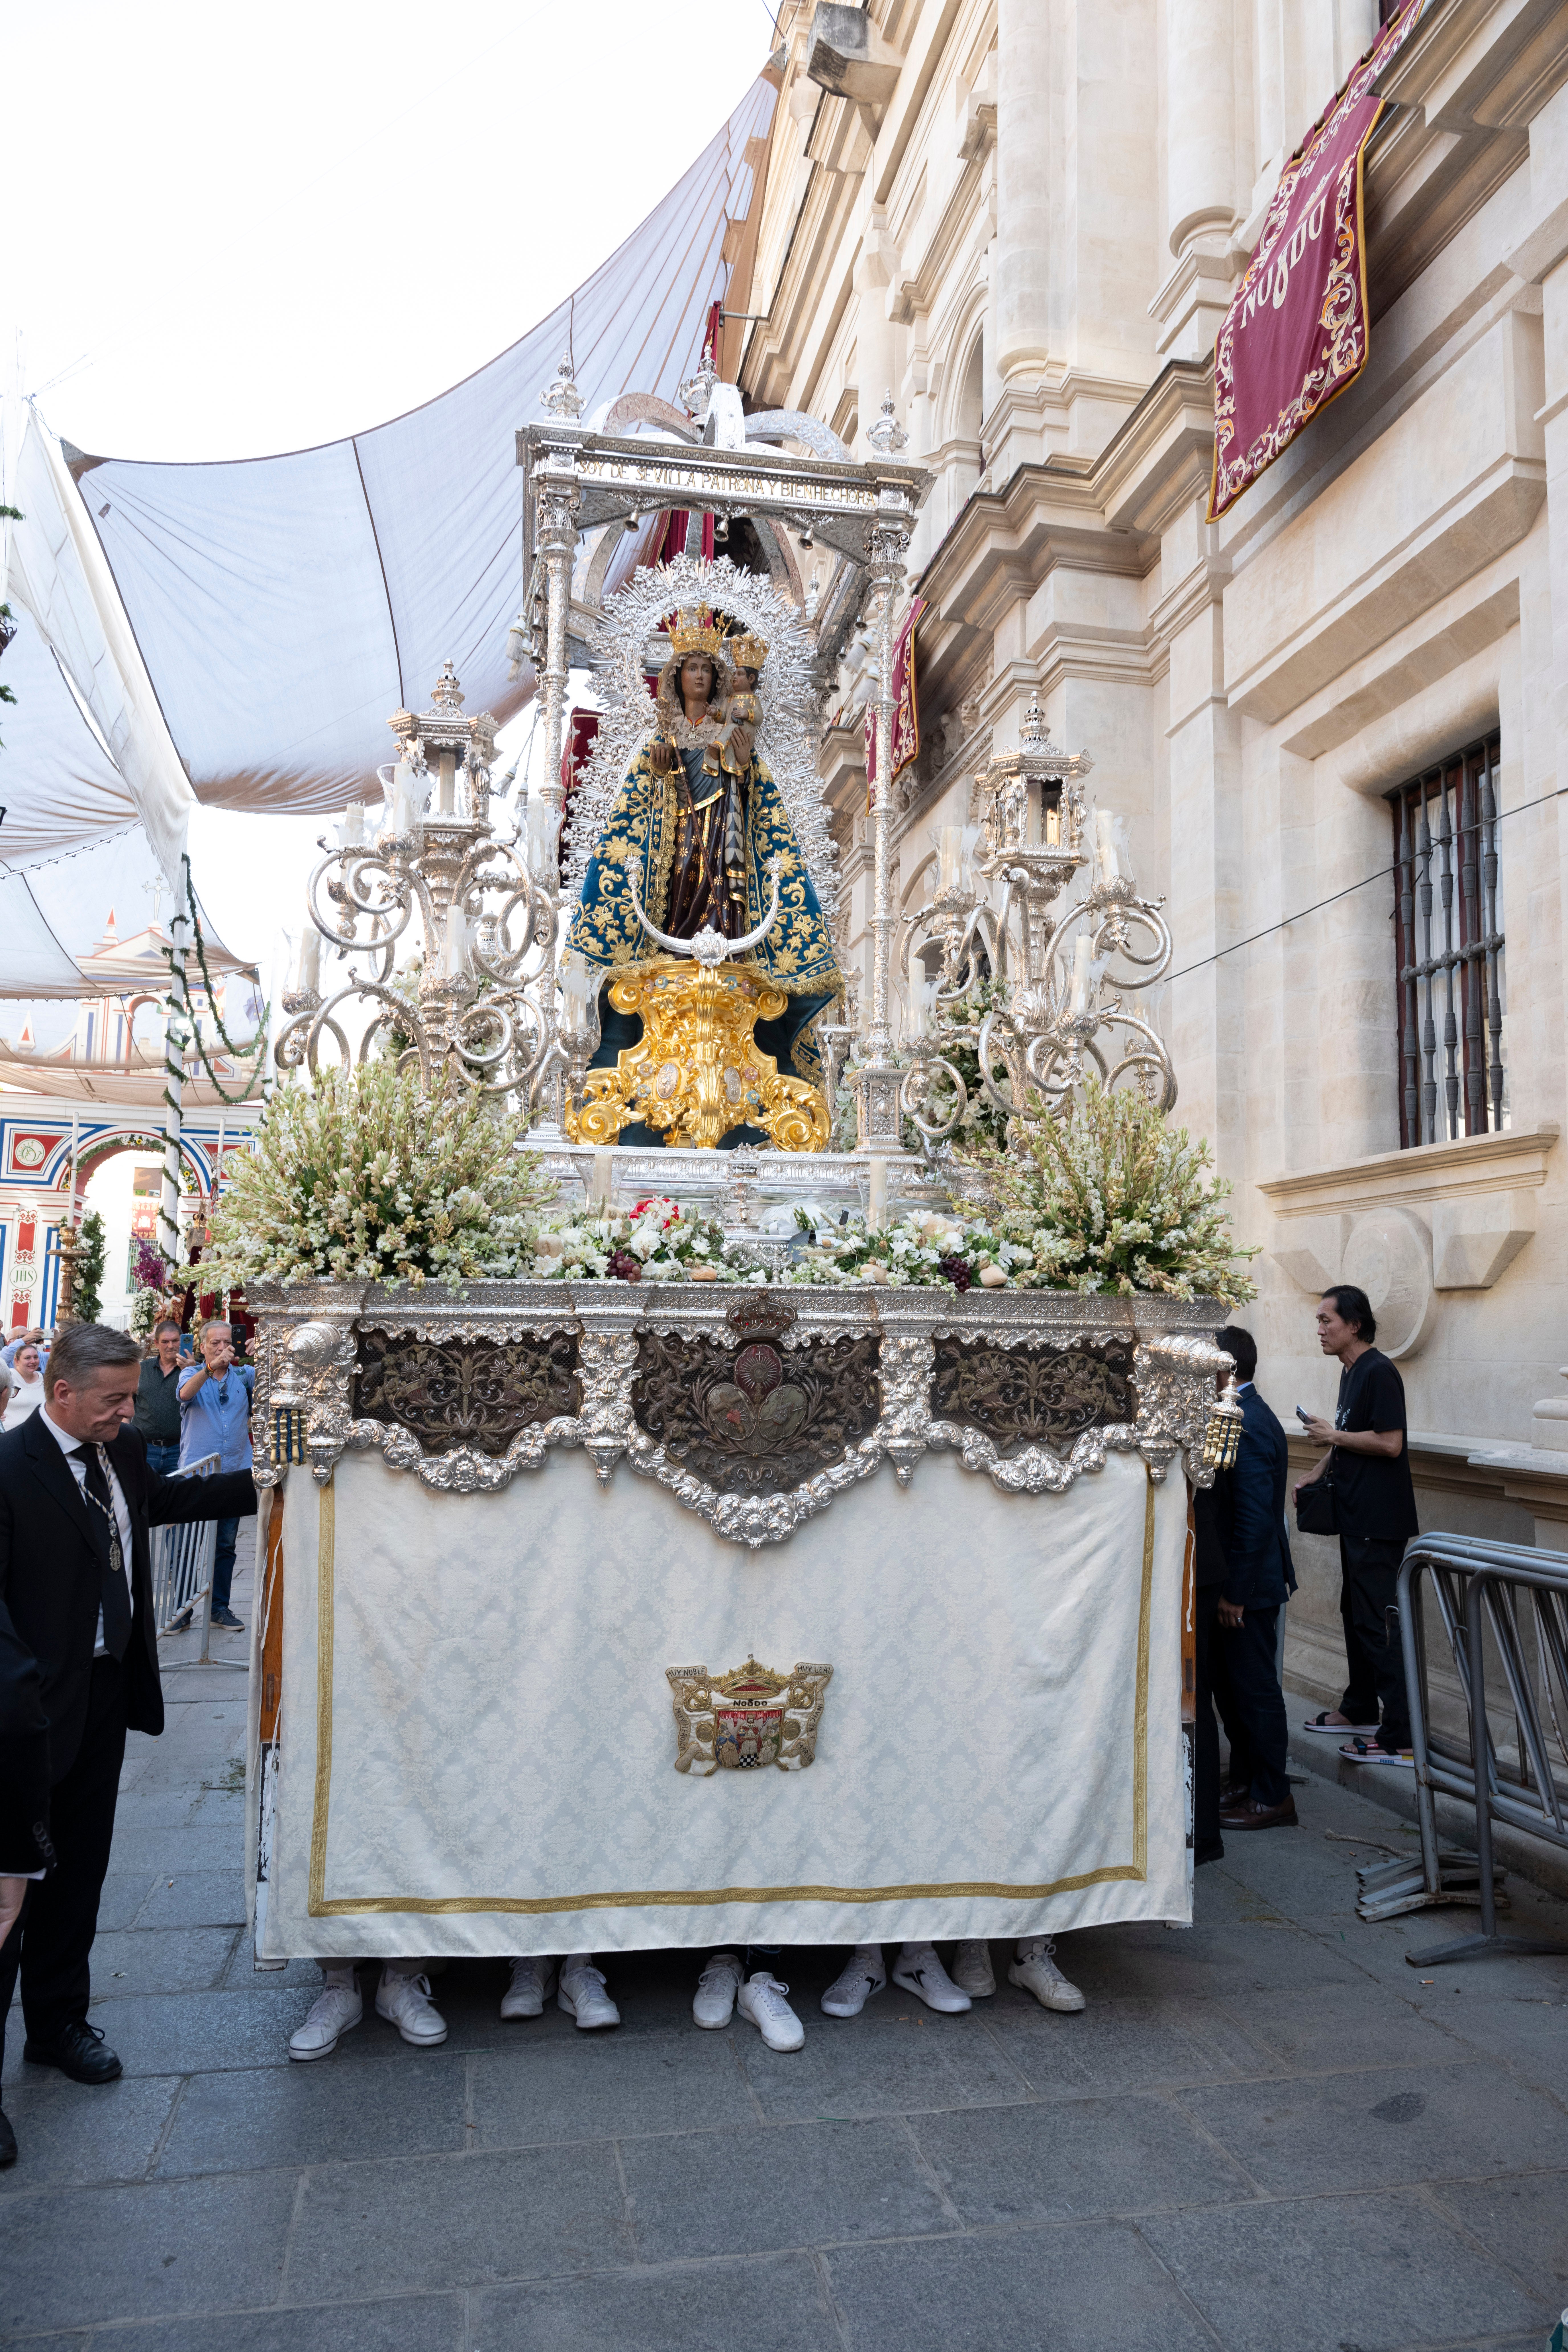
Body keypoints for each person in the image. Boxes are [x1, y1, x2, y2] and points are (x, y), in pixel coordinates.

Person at [0, 1323, 256, 2158]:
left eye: (129, 1396)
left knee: (79, 1872)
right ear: (60, 1392)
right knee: (12, 1893)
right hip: (27, 1718)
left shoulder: (122, 1456)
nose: (128, 1410)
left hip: (105, 1700)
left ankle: (59, 2024)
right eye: (112, 1399)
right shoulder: (11, 1470)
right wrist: (20, 1704)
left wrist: (276, 1481)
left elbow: (172, 1501)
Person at [567, 609, 840, 1135]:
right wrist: (663, 767)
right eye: (690, 667)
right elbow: (638, 811)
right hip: (673, 850)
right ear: (675, 675)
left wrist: (737, 752)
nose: (699, 676)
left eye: (706, 669)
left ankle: (722, 940)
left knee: (719, 891)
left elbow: (751, 791)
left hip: (721, 841)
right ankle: (674, 943)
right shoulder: (659, 736)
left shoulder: (726, 729)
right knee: (678, 893)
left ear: (716, 678)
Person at [1294, 1283, 1420, 1765]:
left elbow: (1389, 1443)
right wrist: (1317, 1468)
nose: (1320, 1329)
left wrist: (1334, 1434)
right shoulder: (1350, 1372)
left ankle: (1399, 1735)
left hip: (1377, 1519)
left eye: (1326, 1320)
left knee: (1378, 1624)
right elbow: (1346, 1438)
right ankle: (1360, 1707)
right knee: (1356, 1615)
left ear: (1354, 1324)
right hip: (1354, 1515)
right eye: (1318, 1321)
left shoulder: (1378, 1371)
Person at [1204, 1325, 1298, 1834]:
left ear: (1225, 1367)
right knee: (1231, 1691)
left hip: (1250, 1587)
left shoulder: (1250, 1421)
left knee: (1256, 1691)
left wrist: (1235, 1594)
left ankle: (1271, 1794)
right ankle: (1244, 1779)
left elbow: (1254, 1517)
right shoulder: (1234, 1413)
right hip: (1235, 1583)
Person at [177, 1320, 254, 1632]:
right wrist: (209, 1369)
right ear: (203, 1347)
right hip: (198, 1473)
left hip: (234, 1471)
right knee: (186, 1544)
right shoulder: (190, 1373)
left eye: (227, 1343)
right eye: (215, 1344)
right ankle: (182, 1609)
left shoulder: (243, 1376)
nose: (223, 1348)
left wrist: (264, 1355)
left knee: (225, 1544)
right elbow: (184, 1395)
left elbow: (276, 1384)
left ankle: (219, 1608)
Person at [134, 1319, 186, 1476]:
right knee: (143, 1495)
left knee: (175, 1496)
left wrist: (190, 1371)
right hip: (144, 1448)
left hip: (178, 1450)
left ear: (182, 1341)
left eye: (175, 1341)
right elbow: (128, 1403)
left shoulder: (192, 1371)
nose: (171, 1346)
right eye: (165, 1342)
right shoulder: (141, 1370)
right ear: (156, 1343)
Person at [2, 1347, 45, 1432]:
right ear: (17, 1361)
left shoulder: (45, 1379)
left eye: (36, 1357)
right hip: (8, 1437)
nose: (33, 1361)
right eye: (28, 1358)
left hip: (36, 1435)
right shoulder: (8, 1376)